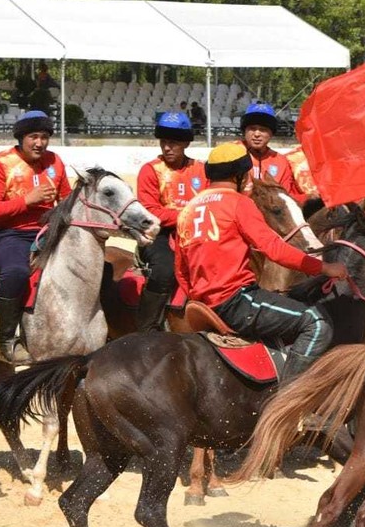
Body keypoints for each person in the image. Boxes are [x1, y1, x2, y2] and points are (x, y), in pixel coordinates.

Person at [174, 142, 348, 381]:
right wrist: (324, 267)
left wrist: (203, 298)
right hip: (237, 303)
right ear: (239, 175)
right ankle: (288, 397)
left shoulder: (188, 211)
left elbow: (181, 271)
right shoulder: (239, 203)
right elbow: (274, 249)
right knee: (317, 323)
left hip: (202, 306)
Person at [0, 110, 71, 362]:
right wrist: (27, 201)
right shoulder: (0, 163)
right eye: (33, 137)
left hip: (50, 233)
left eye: (44, 137)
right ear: (21, 138)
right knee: (16, 273)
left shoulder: (55, 162)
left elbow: (66, 202)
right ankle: (8, 338)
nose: (40, 143)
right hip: (11, 235)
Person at [134, 112, 207, 331]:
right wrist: (188, 215)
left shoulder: (202, 170)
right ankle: (147, 327)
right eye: (164, 142)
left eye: (173, 142)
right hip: (160, 235)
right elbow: (150, 212)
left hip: (197, 233)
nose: (167, 147)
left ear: (186, 143)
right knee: (165, 269)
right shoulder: (150, 170)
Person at [239, 102, 308, 204]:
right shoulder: (232, 155)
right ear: (244, 131)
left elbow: (286, 197)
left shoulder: (281, 161)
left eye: (263, 130)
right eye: (252, 129)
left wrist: (311, 197)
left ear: (271, 133)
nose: (257, 134)